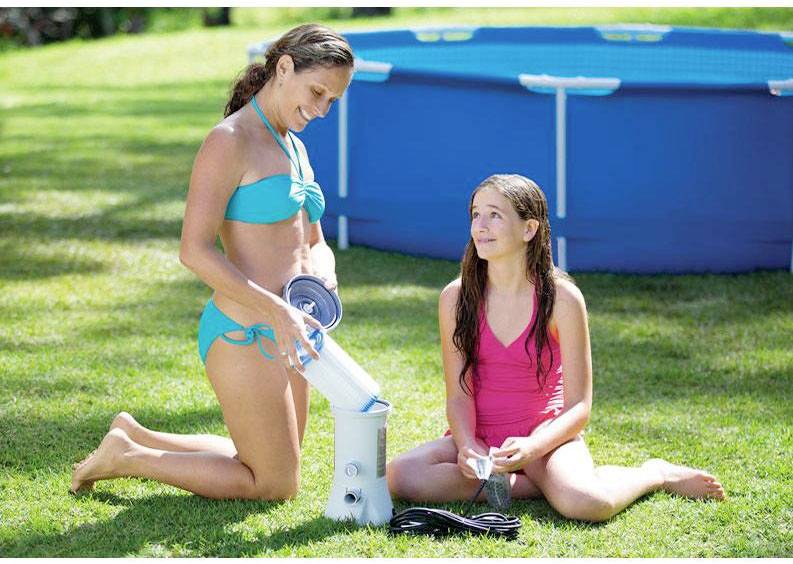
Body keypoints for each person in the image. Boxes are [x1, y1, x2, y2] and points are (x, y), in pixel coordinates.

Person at [71, 24, 354, 500]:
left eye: (333, 100)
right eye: (318, 92)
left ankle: (135, 435)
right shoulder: (229, 140)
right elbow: (194, 250)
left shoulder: (295, 145)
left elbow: (314, 240)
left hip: (290, 332)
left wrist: (324, 273)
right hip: (245, 331)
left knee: (276, 459)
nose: (323, 109)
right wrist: (277, 311)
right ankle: (128, 458)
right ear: (285, 68)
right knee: (275, 483)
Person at [386, 174, 725, 521]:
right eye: (476, 214)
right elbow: (459, 396)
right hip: (481, 437)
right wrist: (468, 445)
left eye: (494, 215)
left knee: (589, 503)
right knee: (402, 475)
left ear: (529, 228)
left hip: (545, 438)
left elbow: (579, 406)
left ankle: (654, 473)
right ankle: (533, 485)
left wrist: (533, 448)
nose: (480, 226)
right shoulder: (455, 297)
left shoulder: (562, 298)